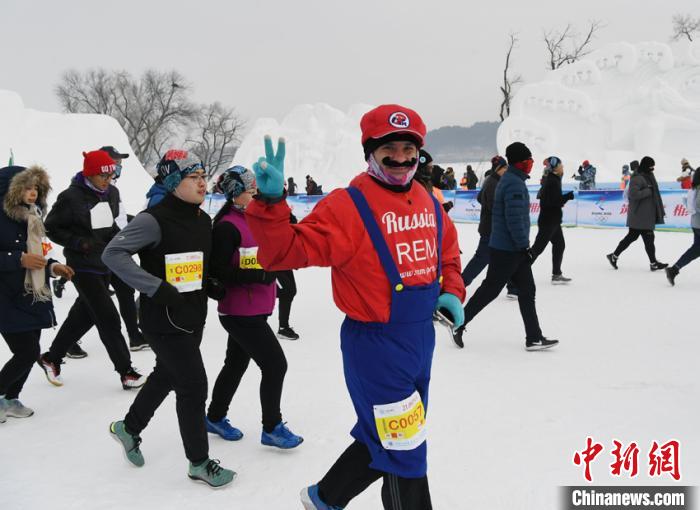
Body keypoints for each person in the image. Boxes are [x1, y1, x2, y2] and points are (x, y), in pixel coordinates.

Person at [246, 104, 465, 509]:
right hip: (375, 346)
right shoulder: (347, 206)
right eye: (388, 148)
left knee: (386, 432)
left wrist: (452, 291)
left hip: (420, 340)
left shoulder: (428, 200)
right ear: (369, 150)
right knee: (405, 450)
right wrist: (272, 201)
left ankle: (325, 498)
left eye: (407, 148)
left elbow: (448, 254)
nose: (400, 158)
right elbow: (282, 254)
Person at [102, 151, 235, 488]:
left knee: (166, 374)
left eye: (204, 175)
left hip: (191, 316)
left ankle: (128, 428)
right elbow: (112, 254)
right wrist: (155, 287)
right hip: (161, 319)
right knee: (192, 386)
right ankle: (199, 462)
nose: (203, 182)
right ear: (174, 182)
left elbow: (194, 265)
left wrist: (211, 282)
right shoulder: (153, 219)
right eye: (193, 177)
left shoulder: (202, 220)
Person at [204, 165, 303, 449]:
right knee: (275, 365)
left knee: (235, 363)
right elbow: (219, 271)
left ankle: (214, 416)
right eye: (250, 190)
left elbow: (288, 226)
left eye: (256, 189)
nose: (255, 194)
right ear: (236, 194)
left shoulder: (255, 218)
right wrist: (260, 274)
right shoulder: (226, 227)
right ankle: (271, 427)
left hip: (257, 306)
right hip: (238, 311)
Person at [37, 150, 145, 389]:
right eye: (103, 176)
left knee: (84, 315)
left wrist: (123, 244)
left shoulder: (112, 193)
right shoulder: (71, 197)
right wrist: (79, 242)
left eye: (112, 174)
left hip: (106, 261)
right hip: (82, 266)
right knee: (107, 316)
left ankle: (51, 358)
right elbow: (51, 228)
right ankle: (126, 371)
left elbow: (116, 224)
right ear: (90, 174)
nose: (108, 180)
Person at [455, 142, 559, 351]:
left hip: (510, 249)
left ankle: (534, 337)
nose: (531, 163)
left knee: (527, 290)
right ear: (519, 162)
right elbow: (514, 220)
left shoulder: (512, 179)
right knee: (490, 289)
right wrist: (524, 246)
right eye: (527, 159)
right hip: (508, 250)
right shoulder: (513, 184)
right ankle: (459, 323)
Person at [0, 165, 74, 423]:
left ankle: (11, 397)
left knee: (31, 350)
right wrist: (18, 260)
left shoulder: (33, 216)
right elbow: (23, 257)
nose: (32, 193)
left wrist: (53, 267)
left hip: (33, 294)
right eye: (26, 187)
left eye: (36, 188)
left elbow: (40, 255)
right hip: (6, 297)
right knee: (27, 352)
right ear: (11, 190)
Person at [61, 146, 149, 359]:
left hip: (113, 252)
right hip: (90, 258)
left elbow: (115, 218)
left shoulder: (112, 189)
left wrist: (131, 224)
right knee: (92, 305)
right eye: (115, 163)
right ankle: (68, 345)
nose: (117, 169)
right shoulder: (77, 194)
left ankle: (134, 336)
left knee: (122, 292)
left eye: (118, 166)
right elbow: (59, 226)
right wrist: (82, 243)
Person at [460, 155, 518, 318]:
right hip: (492, 230)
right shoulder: (493, 183)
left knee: (507, 258)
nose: (506, 171)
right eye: (504, 168)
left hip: (494, 228)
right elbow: (495, 207)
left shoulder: (492, 181)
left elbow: (480, 198)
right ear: (498, 169)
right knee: (482, 259)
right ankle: (460, 283)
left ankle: (513, 287)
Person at [607, 156, 668, 271]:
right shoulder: (637, 178)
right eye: (651, 166)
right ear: (645, 166)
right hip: (639, 215)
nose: (652, 169)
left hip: (644, 215)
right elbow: (633, 195)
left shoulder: (648, 176)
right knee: (646, 238)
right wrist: (648, 191)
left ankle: (614, 256)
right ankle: (653, 263)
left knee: (634, 237)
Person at [530, 156, 575, 284]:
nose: (563, 167)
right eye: (561, 165)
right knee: (537, 249)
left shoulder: (552, 179)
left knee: (560, 245)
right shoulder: (552, 181)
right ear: (555, 167)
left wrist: (561, 200)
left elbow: (550, 200)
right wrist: (567, 197)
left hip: (553, 221)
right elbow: (552, 202)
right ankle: (516, 276)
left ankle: (556, 275)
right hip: (548, 222)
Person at [666, 170, 700, 285]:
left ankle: (674, 269)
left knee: (696, 250)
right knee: (695, 250)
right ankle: (674, 269)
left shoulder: (694, 188)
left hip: (696, 223)